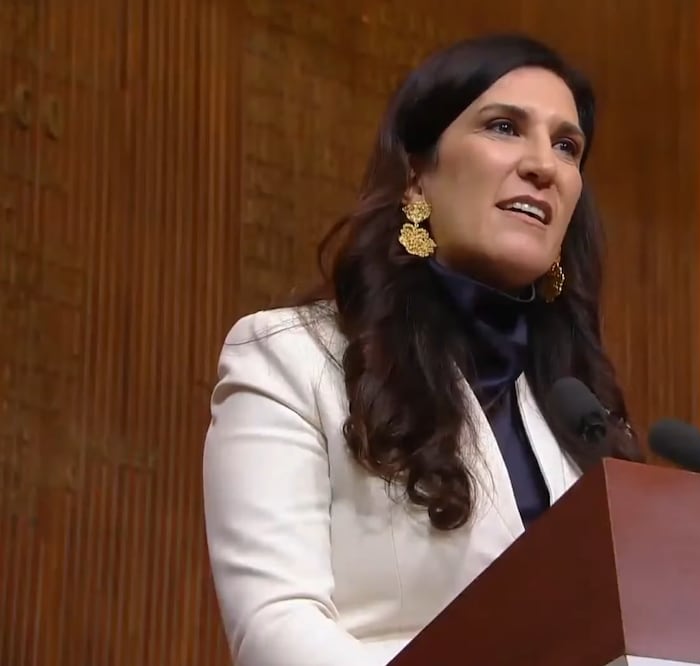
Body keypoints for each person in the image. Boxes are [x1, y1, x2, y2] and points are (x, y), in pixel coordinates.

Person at [201, 33, 642, 666]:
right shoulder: (289, 358)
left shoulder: (582, 408)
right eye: (504, 127)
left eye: (567, 146)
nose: (544, 165)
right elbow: (276, 627)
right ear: (415, 175)